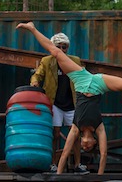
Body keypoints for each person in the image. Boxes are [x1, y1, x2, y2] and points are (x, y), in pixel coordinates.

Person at [17, 21, 122, 175]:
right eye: (89, 147)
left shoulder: (76, 127)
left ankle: (32, 28)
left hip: (81, 81)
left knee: (57, 53)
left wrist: (59, 175)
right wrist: (99, 177)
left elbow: (65, 153)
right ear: (94, 142)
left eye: (83, 147)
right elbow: (103, 154)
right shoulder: (99, 127)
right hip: (98, 83)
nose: (85, 146)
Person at [30, 32, 89, 174]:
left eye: (64, 47)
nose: (62, 50)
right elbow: (38, 74)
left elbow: (83, 76)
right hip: (55, 102)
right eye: (58, 47)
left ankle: (77, 164)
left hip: (72, 103)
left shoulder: (74, 60)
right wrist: (35, 82)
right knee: (55, 134)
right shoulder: (47, 61)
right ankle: (53, 164)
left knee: (74, 134)